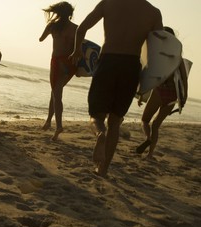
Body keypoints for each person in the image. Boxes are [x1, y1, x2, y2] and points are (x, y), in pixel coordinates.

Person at [69, 0, 163, 177]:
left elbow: (81, 29)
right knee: (115, 121)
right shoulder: (153, 12)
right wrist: (148, 81)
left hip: (108, 62)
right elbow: (158, 51)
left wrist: (77, 51)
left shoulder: (109, 3)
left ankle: (99, 135)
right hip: (131, 67)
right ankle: (103, 169)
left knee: (96, 117)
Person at [136, 27, 188, 159]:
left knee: (145, 120)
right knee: (156, 125)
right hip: (173, 95)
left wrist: (141, 94)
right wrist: (184, 97)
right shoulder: (178, 58)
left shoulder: (158, 56)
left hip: (160, 90)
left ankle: (148, 138)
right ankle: (150, 154)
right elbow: (184, 78)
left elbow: (151, 76)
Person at [39, 2, 78, 141]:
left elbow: (41, 39)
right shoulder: (76, 28)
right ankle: (48, 121)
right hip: (70, 65)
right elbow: (79, 48)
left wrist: (49, 29)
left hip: (57, 62)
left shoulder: (53, 26)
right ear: (70, 14)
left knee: (57, 95)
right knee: (55, 91)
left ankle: (58, 126)